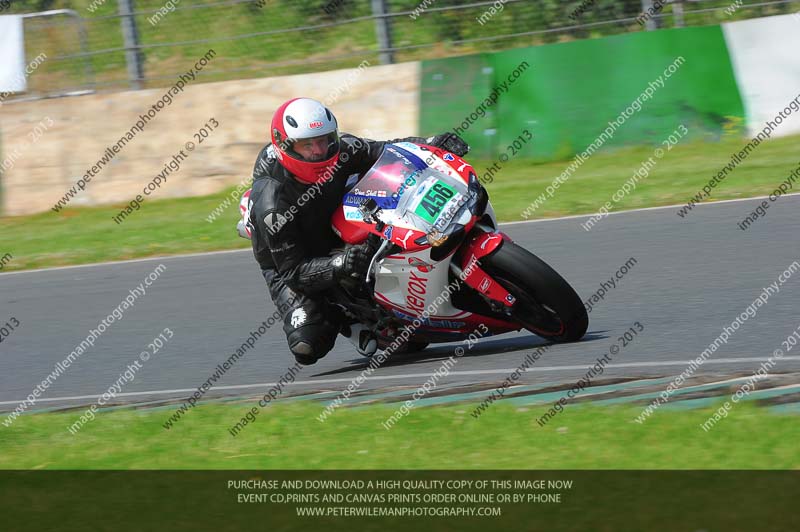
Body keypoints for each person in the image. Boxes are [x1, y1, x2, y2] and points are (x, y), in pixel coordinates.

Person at [248, 97, 469, 366]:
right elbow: (293, 272)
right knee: (307, 345)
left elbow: (386, 150)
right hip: (291, 258)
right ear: (287, 147)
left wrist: (433, 143)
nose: (320, 150)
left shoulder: (340, 149)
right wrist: (339, 263)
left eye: (324, 139)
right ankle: (343, 316)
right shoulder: (272, 202)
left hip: (335, 219)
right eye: (308, 145)